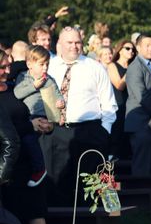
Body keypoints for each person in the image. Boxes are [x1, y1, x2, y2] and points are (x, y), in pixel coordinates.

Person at [41, 27, 116, 205]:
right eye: (69, 42)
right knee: (58, 179)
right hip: (56, 131)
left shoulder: (94, 68)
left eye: (77, 42)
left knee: (90, 182)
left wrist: (104, 131)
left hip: (89, 131)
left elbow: (109, 104)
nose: (74, 46)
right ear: (59, 44)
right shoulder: (48, 67)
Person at [0, 50, 47, 224]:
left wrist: (45, 126)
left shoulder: (16, 89)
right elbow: (6, 133)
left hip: (30, 162)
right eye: (2, 67)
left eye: (8, 66)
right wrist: (30, 126)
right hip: (8, 166)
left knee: (36, 210)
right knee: (13, 215)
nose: (7, 70)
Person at [13, 45, 65, 186]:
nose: (45, 68)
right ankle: (39, 169)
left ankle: (49, 173)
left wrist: (60, 104)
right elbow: (17, 93)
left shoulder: (49, 79)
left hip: (48, 116)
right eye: (41, 64)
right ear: (29, 64)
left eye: (47, 64)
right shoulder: (23, 77)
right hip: (29, 117)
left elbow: (58, 96)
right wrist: (34, 86)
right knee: (28, 140)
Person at [125, 34, 151, 175]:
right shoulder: (135, 67)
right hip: (141, 123)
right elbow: (141, 95)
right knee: (142, 166)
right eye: (147, 45)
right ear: (138, 47)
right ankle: (140, 197)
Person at [107, 41, 135, 160]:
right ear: (120, 50)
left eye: (133, 50)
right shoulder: (112, 65)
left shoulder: (134, 66)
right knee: (117, 136)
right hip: (118, 105)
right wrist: (130, 69)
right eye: (128, 48)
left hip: (132, 106)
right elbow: (119, 85)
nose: (131, 51)